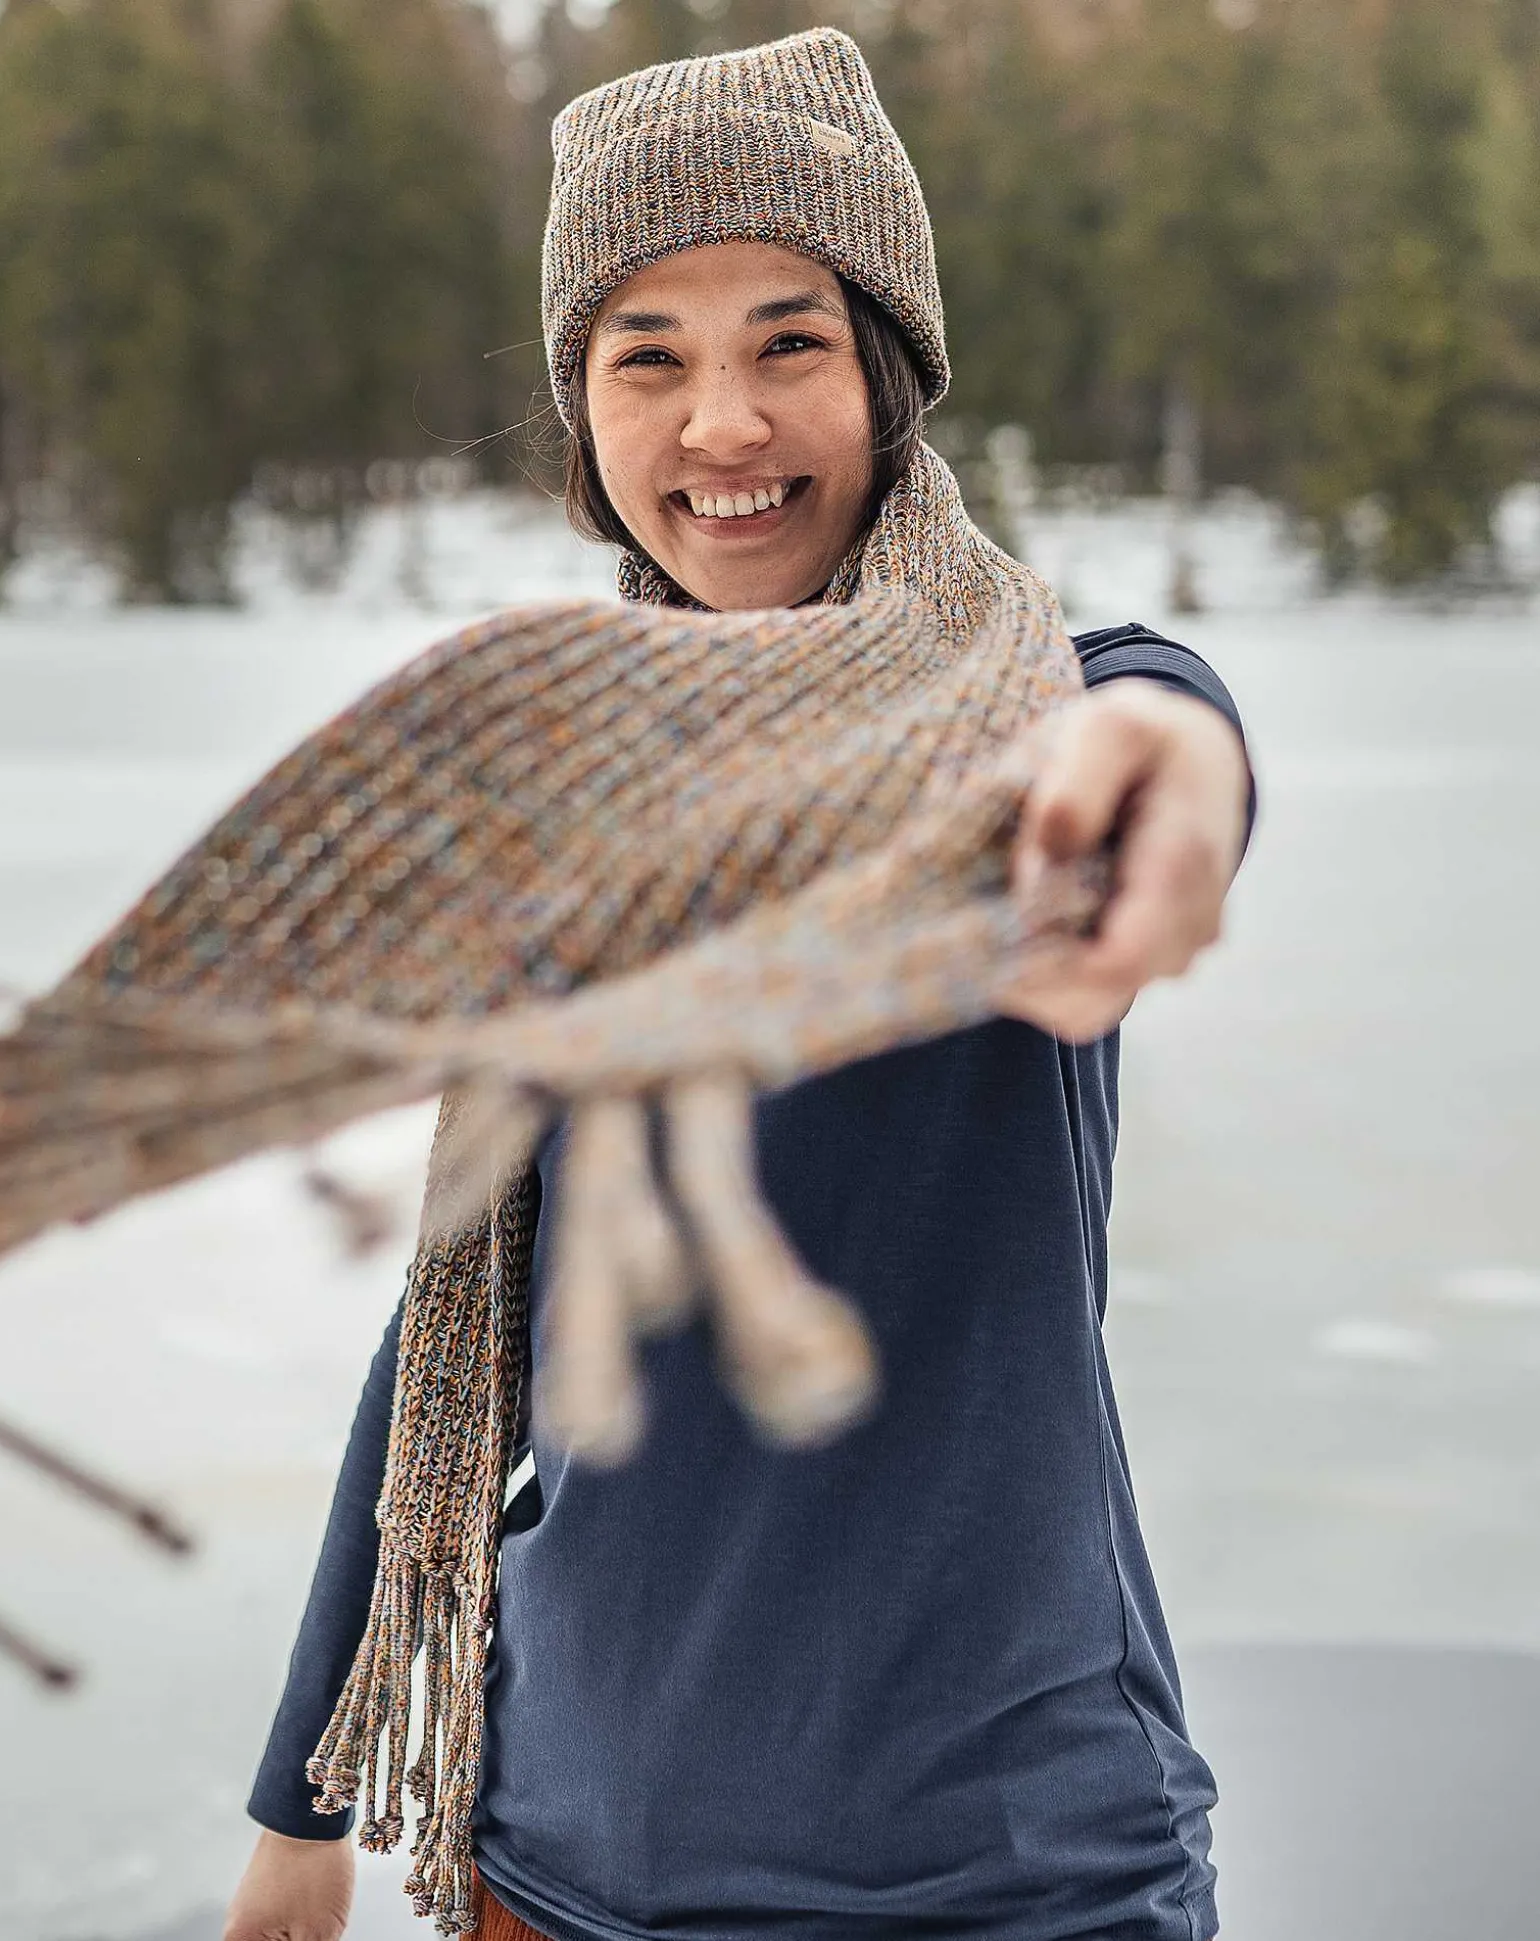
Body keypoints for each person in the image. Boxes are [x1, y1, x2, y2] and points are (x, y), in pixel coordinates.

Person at [225, 29, 1250, 1941]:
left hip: (1010, 1877)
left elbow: (1156, 735)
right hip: (565, 1865)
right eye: (650, 358)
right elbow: (460, 1327)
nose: (722, 427)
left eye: (787, 342)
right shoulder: (547, 804)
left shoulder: (1031, 711)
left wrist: (1174, 800)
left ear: (888, 369)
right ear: (581, 415)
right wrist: (303, 1804)